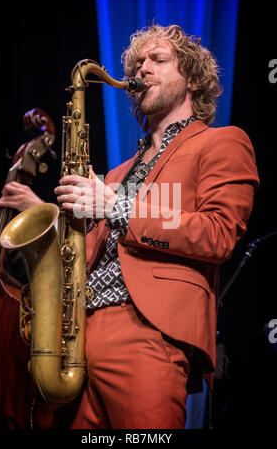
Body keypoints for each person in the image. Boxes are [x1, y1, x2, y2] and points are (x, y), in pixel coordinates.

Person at [53, 24, 260, 429]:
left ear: (194, 79)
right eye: (137, 63)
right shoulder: (114, 175)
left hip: (148, 330)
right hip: (80, 339)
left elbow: (217, 233)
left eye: (158, 60)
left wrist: (117, 206)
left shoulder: (222, 143)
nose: (143, 69)